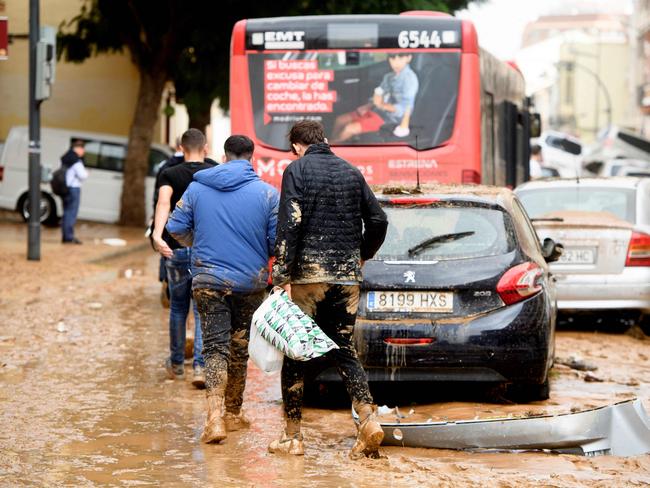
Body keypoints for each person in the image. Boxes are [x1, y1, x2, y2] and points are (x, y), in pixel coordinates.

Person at [270, 120, 388, 458]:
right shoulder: (352, 172)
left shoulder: (297, 170)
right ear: (326, 139)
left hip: (309, 277)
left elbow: (290, 223)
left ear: (295, 145)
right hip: (347, 276)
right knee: (344, 348)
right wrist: (362, 254)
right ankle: (368, 421)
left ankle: (293, 437)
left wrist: (280, 276)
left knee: (295, 352)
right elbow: (378, 220)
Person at [166, 135, 279, 444]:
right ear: (251, 158)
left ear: (223, 156)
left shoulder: (197, 188)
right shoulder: (268, 194)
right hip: (250, 283)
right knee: (239, 348)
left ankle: (214, 417)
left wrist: (197, 243)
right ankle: (232, 413)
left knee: (214, 347)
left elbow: (174, 228)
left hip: (207, 281)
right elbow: (275, 243)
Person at [152, 129, 215, 389]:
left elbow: (163, 203)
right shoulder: (214, 171)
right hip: (205, 249)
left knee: (178, 308)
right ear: (206, 147)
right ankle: (200, 366)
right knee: (202, 310)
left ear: (181, 147)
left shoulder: (170, 173)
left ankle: (177, 365)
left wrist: (157, 235)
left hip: (174, 248)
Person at [332, 53, 419, 142]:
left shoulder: (410, 80)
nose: (396, 62)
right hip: (376, 111)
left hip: (390, 119)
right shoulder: (389, 77)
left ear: (408, 58)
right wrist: (368, 106)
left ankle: (329, 150)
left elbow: (405, 109)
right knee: (340, 120)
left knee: (350, 128)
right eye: (392, 58)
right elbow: (379, 94)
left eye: (400, 57)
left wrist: (382, 105)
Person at [60, 140, 88, 244]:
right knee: (71, 213)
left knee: (66, 212)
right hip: (74, 189)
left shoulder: (66, 158)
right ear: (78, 148)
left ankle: (65, 236)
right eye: (83, 149)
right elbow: (83, 175)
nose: (84, 151)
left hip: (65, 188)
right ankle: (69, 237)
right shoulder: (76, 160)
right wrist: (87, 173)